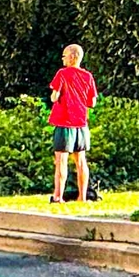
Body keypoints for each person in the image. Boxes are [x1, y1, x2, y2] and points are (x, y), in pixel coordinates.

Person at [49, 43, 97, 205]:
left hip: (64, 122)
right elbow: (92, 102)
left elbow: (54, 97)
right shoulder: (88, 76)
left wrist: (57, 96)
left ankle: (58, 196)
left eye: (64, 55)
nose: (62, 58)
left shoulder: (62, 74)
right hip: (81, 124)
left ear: (72, 57)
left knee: (61, 161)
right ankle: (82, 197)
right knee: (81, 161)